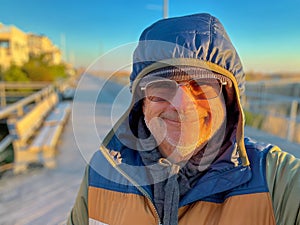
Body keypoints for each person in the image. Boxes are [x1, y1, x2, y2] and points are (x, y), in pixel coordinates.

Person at [67, 13, 300, 225]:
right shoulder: (102, 172)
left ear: (228, 100)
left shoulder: (276, 180)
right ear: (142, 102)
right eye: (161, 87)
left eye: (202, 86)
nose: (181, 105)